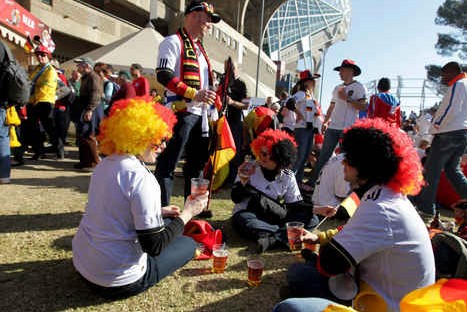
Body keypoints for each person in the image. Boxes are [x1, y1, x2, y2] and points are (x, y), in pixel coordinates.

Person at [276, 118, 435, 312]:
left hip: (385, 305)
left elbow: (330, 263)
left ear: (365, 165)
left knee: (288, 307)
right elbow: (350, 233)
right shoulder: (386, 196)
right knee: (298, 272)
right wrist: (318, 237)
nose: (343, 161)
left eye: (349, 158)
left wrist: (322, 249)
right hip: (378, 290)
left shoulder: (380, 208)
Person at [72, 97, 209, 299]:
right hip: (118, 281)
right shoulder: (142, 178)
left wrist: (160, 212)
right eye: (159, 139)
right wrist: (190, 212)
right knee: (188, 244)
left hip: (83, 265)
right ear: (140, 135)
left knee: (169, 221)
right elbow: (154, 246)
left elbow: (112, 208)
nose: (164, 146)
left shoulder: (105, 164)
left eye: (166, 139)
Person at [154, 0, 220, 208]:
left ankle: (192, 212)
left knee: (197, 167)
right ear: (194, 15)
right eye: (207, 19)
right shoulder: (173, 42)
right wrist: (194, 93)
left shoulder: (201, 50)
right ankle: (162, 210)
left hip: (201, 116)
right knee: (167, 164)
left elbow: (206, 86)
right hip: (180, 112)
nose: (209, 24)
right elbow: (164, 75)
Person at [231, 129, 316, 253]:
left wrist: (315, 209)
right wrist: (243, 182)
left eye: (266, 154)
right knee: (243, 220)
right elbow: (235, 198)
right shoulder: (249, 168)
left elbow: (294, 206)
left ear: (278, 156)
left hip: (274, 215)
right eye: (260, 152)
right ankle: (284, 235)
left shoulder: (288, 175)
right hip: (251, 214)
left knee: (312, 219)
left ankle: (271, 238)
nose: (261, 157)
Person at [416, 62, 467, 215]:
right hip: (461, 132)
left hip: (447, 132)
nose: (442, 78)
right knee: (452, 170)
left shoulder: (458, 85)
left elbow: (451, 108)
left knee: (431, 172)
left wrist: (435, 126)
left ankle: (426, 209)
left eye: (444, 74)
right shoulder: (464, 84)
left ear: (453, 72)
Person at [308, 59, 367, 188]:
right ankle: (313, 183)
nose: (340, 72)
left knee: (345, 159)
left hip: (348, 129)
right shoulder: (337, 88)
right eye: (340, 70)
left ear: (351, 71)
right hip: (333, 127)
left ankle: (343, 187)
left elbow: (363, 106)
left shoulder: (359, 87)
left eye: (342, 70)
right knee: (324, 156)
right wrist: (325, 121)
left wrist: (348, 99)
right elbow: (331, 106)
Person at [290, 70, 321, 184]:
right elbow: (289, 103)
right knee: (299, 158)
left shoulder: (309, 95)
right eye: (312, 80)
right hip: (302, 129)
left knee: (303, 158)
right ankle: (289, 183)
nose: (314, 82)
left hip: (308, 129)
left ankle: (296, 184)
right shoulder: (301, 94)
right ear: (306, 82)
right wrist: (299, 114)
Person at [221, 58, 249, 184]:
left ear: (236, 69)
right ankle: (220, 177)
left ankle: (232, 179)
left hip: (234, 122)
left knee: (233, 151)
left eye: (231, 67)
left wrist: (232, 102)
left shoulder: (241, 84)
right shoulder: (222, 81)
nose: (228, 70)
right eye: (226, 67)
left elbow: (246, 105)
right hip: (221, 120)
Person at [28, 45, 58, 160]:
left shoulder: (50, 70)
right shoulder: (36, 69)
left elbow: (45, 88)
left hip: (44, 101)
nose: (40, 57)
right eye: (38, 55)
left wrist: (37, 100)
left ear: (48, 56)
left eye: (43, 55)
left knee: (49, 128)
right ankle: (39, 151)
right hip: (33, 101)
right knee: (34, 128)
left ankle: (58, 149)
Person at [73, 56, 104, 171]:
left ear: (86, 66)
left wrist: (90, 110)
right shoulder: (86, 77)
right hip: (87, 107)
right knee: (82, 134)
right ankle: (85, 161)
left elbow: (96, 94)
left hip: (91, 108)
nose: (77, 67)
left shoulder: (93, 77)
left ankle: (94, 163)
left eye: (79, 65)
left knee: (88, 134)